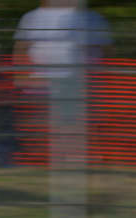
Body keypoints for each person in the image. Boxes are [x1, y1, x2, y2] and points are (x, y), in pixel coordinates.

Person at [13, 0, 109, 162]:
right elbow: (21, 46)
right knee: (42, 121)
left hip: (74, 78)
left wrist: (93, 78)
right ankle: (35, 157)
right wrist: (20, 76)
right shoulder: (32, 17)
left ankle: (74, 157)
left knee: (72, 120)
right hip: (40, 79)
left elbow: (103, 50)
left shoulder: (91, 18)